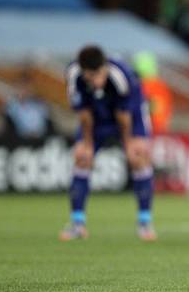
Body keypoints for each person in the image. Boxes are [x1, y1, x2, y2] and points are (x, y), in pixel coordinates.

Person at [60, 45, 156, 241]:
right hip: (96, 116)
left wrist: (129, 144)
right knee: (81, 157)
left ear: (104, 68)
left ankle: (145, 223)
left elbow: (124, 115)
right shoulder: (73, 75)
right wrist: (87, 143)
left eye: (98, 75)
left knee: (138, 156)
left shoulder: (121, 75)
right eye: (90, 77)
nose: (95, 82)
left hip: (130, 114)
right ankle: (77, 224)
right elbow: (84, 114)